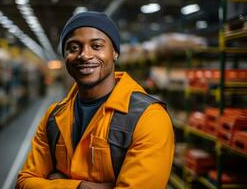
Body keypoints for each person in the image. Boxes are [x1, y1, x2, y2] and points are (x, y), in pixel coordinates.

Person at [16, 11, 174, 189]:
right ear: (65, 56)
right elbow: (24, 182)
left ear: (114, 52)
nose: (84, 55)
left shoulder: (148, 118)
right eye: (73, 48)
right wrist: (81, 187)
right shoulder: (54, 116)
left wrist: (55, 182)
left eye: (97, 46)